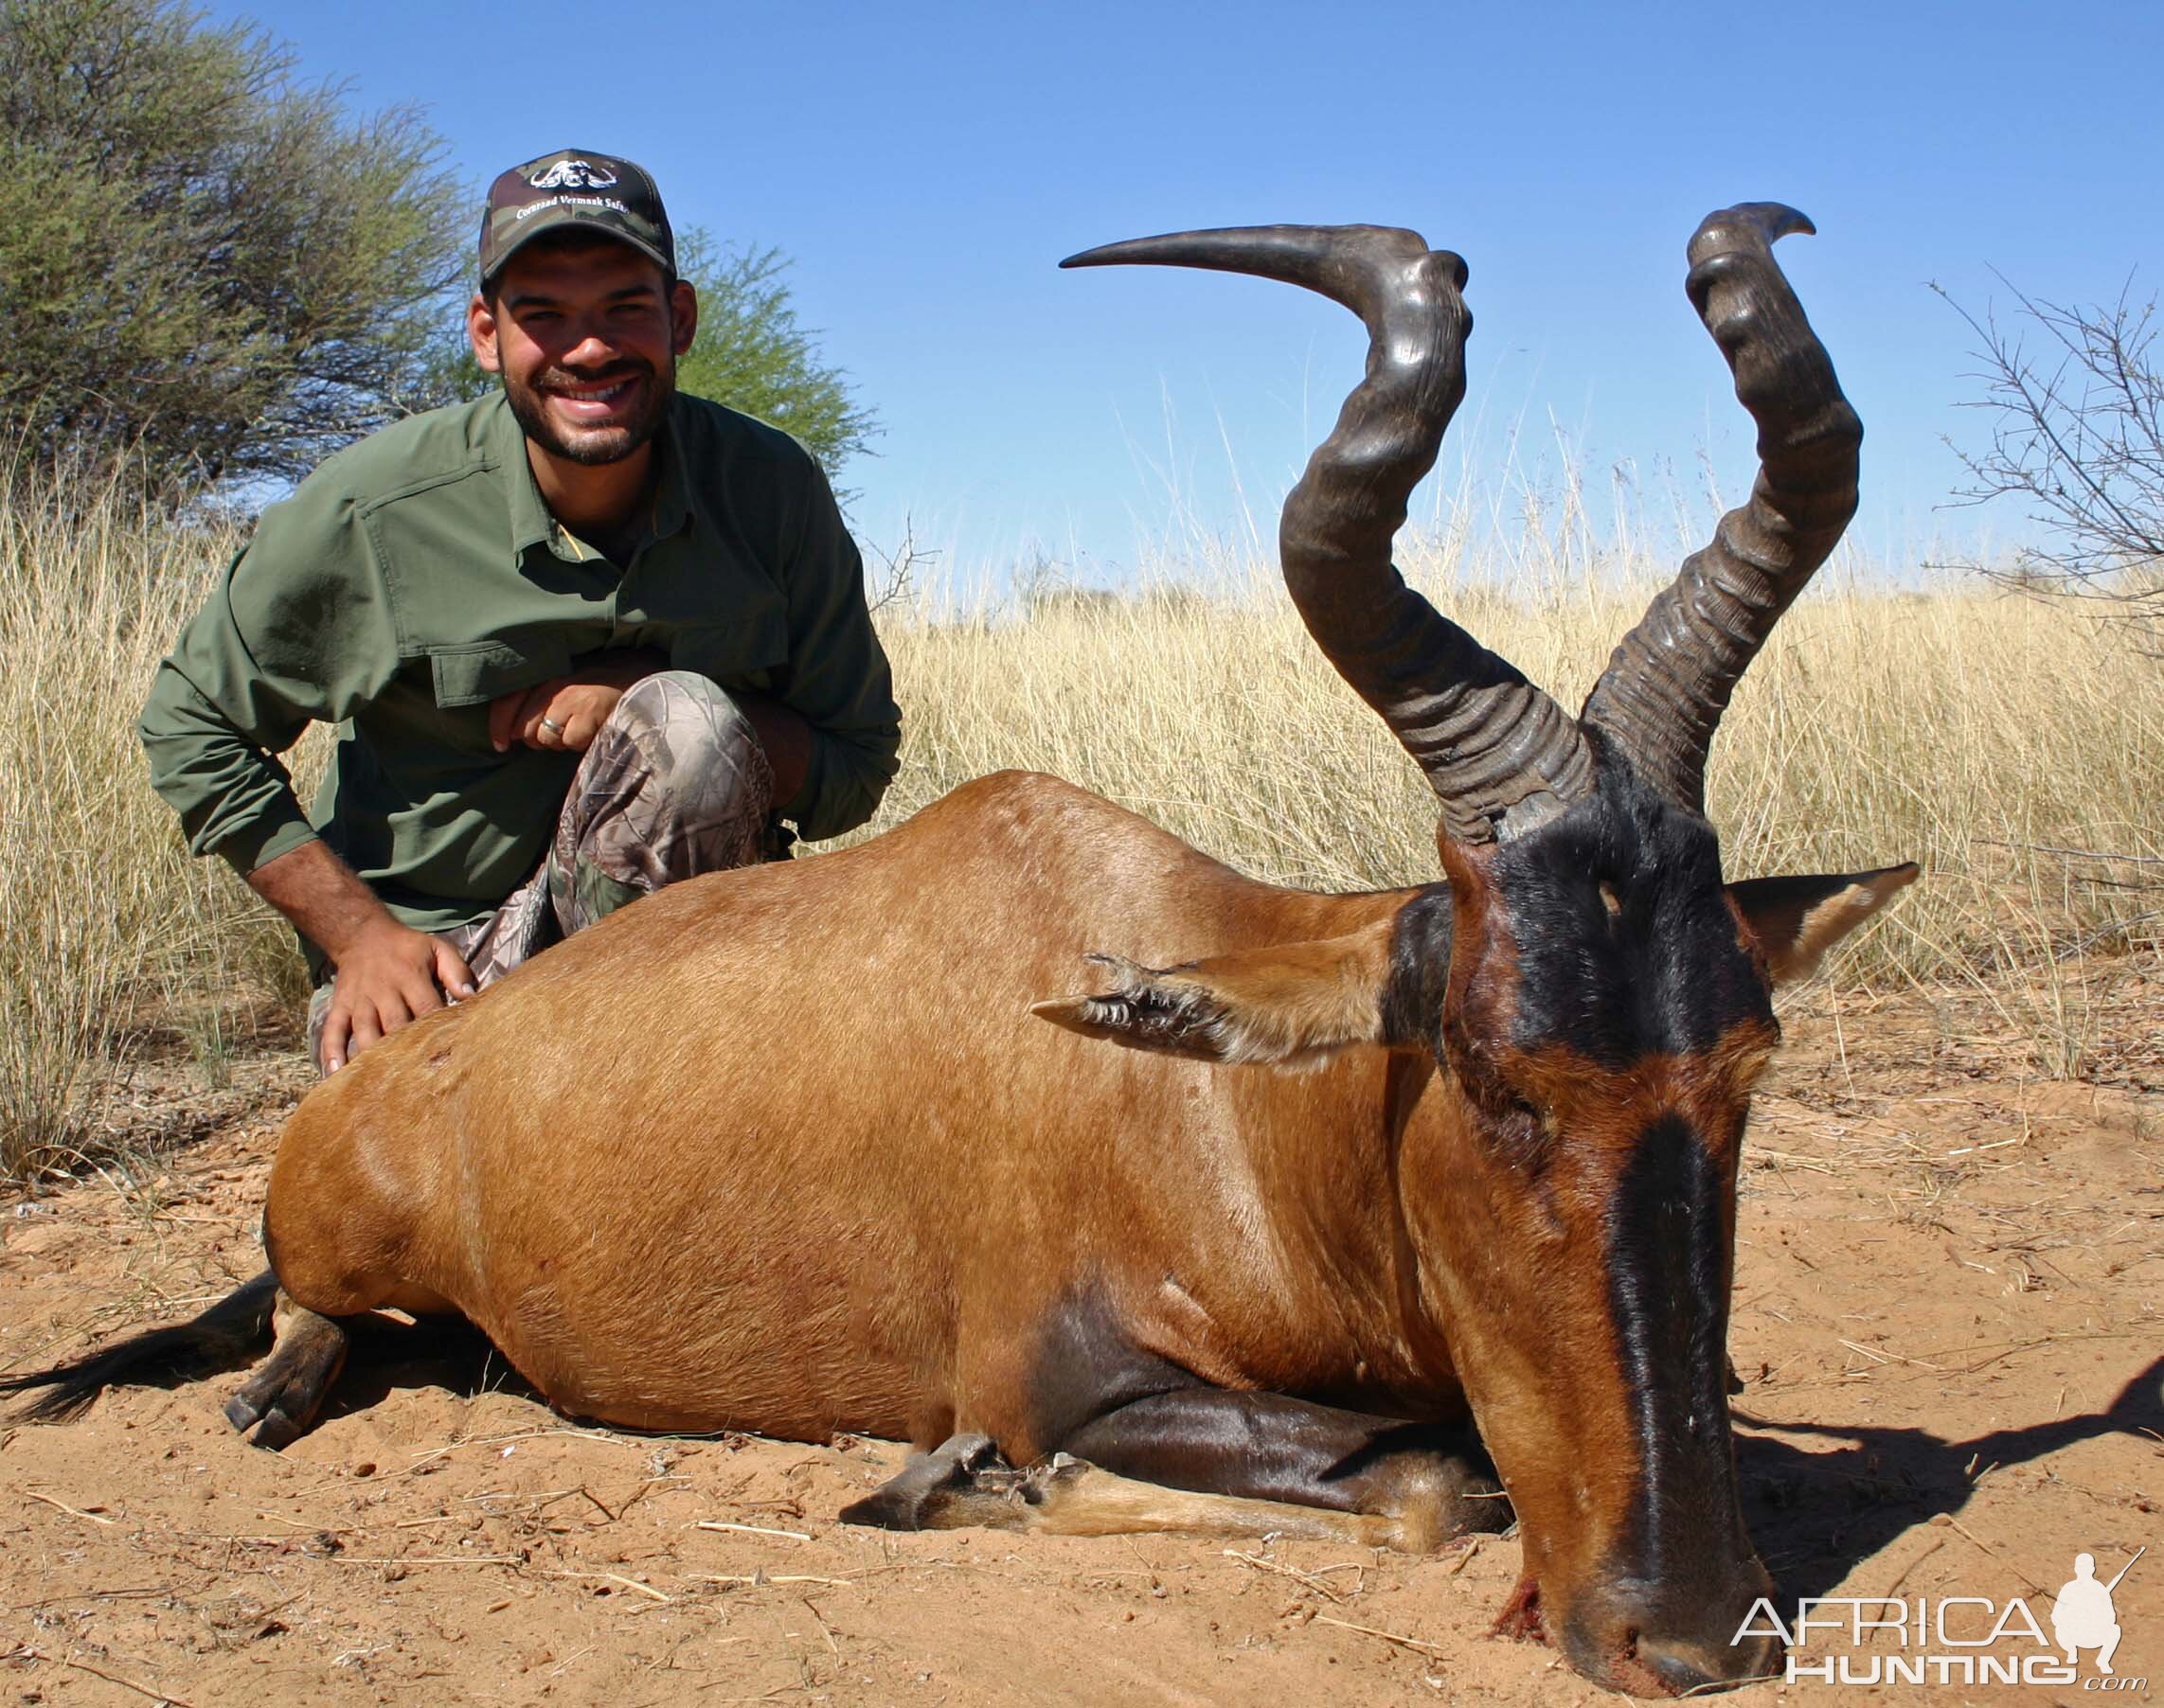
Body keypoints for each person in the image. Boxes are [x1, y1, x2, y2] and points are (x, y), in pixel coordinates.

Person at [140, 148, 901, 1075]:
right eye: (542, 314)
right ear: (485, 334)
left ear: (682, 319)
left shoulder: (770, 488)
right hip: (447, 963)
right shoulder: (376, 508)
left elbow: (852, 765)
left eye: (625, 305)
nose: (589, 349)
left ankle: (665, 1077)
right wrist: (361, 941)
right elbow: (191, 724)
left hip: (692, 967)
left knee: (688, 725)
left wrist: (648, 696)